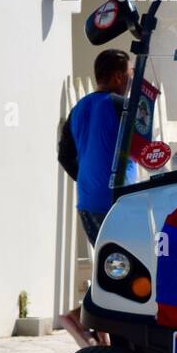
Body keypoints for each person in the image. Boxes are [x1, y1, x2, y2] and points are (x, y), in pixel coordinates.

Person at [58, 48, 134, 246]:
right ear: (118, 77)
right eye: (130, 74)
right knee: (133, 267)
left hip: (88, 204)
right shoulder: (121, 105)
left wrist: (90, 178)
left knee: (109, 265)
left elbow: (64, 156)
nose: (131, 80)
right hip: (118, 204)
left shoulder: (78, 109)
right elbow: (144, 149)